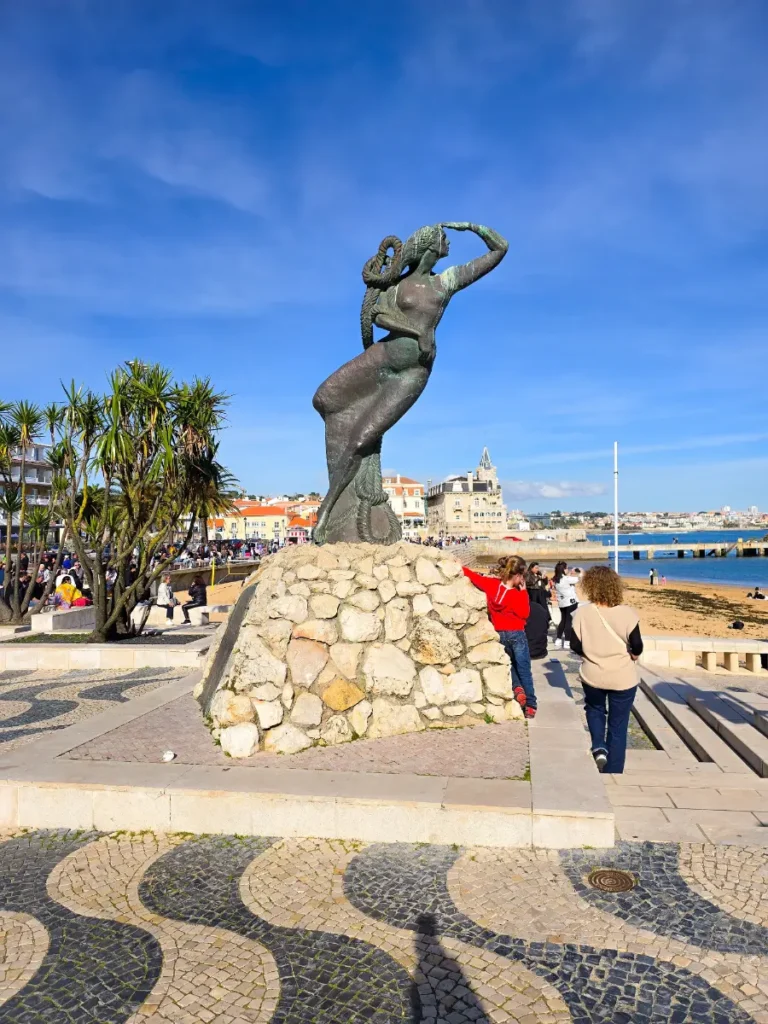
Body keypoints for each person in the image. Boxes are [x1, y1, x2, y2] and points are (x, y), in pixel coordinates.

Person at [569, 565, 643, 774]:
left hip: (593, 674)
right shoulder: (627, 613)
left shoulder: (583, 613)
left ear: (591, 586)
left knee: (594, 710)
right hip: (623, 677)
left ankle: (599, 746)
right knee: (618, 725)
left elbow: (574, 644)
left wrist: (590, 654)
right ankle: (613, 770)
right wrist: (633, 654)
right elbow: (637, 645)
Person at [462, 555, 537, 718]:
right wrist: (524, 593)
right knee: (524, 669)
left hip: (500, 633)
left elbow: (473, 577)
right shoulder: (517, 594)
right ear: (517, 575)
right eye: (522, 576)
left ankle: (517, 688)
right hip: (517, 633)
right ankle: (531, 704)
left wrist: (459, 566)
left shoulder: (491, 585)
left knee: (509, 664)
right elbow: (525, 614)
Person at [553, 561, 580, 649]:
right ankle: (567, 641)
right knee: (569, 622)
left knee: (563, 621)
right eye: (566, 568)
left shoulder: (556, 579)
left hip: (562, 603)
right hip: (571, 602)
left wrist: (570, 573)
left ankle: (558, 639)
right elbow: (579, 578)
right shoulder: (567, 579)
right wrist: (579, 571)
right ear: (563, 569)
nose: (567, 569)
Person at [525, 570, 550, 660]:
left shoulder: (521, 611)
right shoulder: (540, 609)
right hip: (541, 651)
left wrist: (544, 578)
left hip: (527, 652)